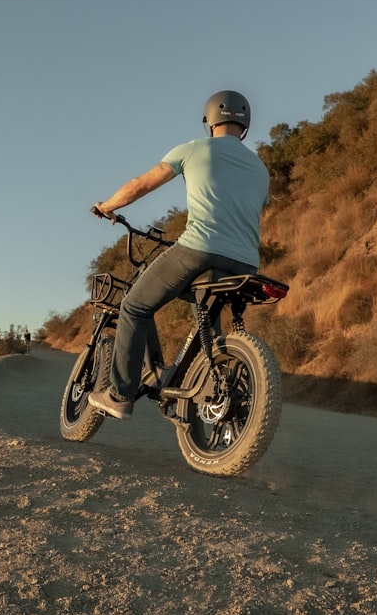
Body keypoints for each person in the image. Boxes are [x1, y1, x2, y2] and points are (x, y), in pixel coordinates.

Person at [87, 90, 270, 420]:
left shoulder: (194, 149)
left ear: (209, 121)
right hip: (246, 262)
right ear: (244, 127)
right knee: (205, 305)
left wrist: (107, 206)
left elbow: (140, 184)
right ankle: (196, 383)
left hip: (199, 246)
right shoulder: (260, 169)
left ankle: (120, 394)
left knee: (135, 305)